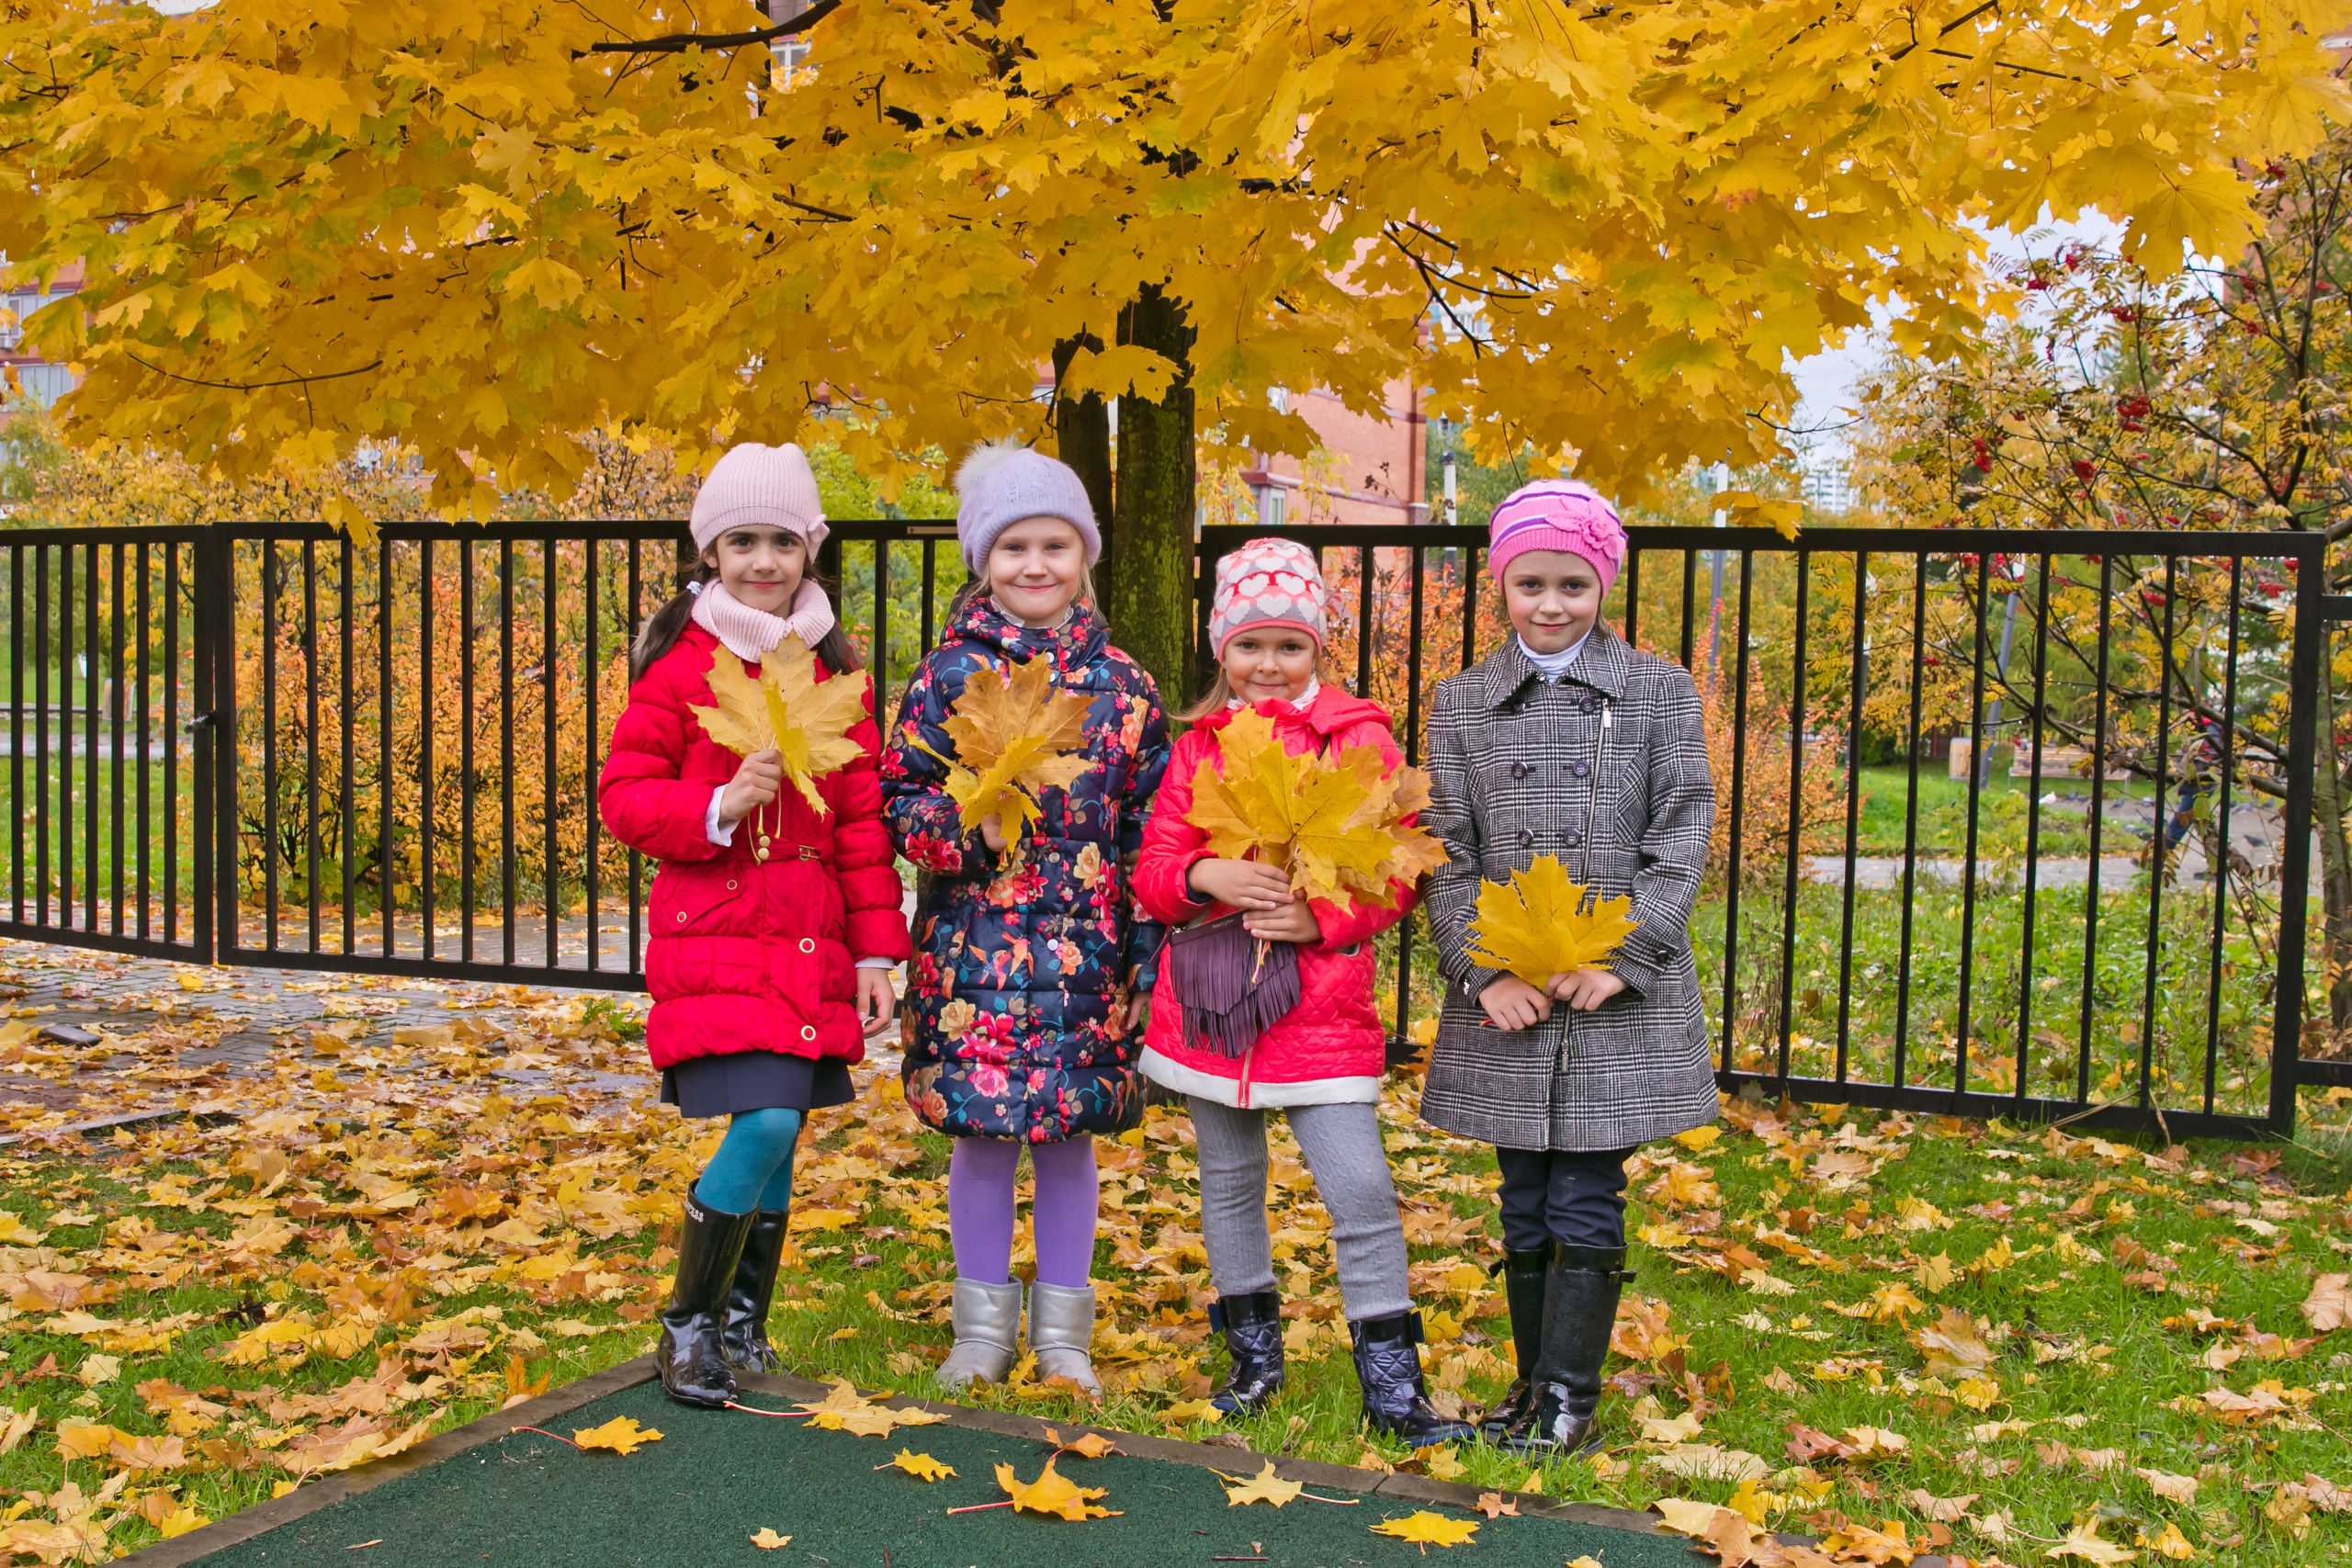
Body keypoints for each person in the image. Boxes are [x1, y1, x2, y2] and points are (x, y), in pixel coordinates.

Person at [1133, 538, 1475, 1448]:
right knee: (1229, 1184)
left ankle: (1392, 1383)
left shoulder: (1357, 737)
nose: (1269, 665)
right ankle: (1254, 1359)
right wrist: (1206, 874)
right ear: (1221, 651)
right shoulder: (1199, 746)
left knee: (1358, 1188)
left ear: (1318, 646)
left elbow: (1395, 864)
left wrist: (1320, 917)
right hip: (1211, 1005)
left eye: (1289, 645)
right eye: (1250, 646)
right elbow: (1155, 866)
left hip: (1316, 1007)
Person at [600, 441, 909, 1409]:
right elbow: (624, 799)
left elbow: (861, 828)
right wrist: (722, 803)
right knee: (767, 1115)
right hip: (721, 940)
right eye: (743, 542)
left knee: (776, 1130)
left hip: (812, 939)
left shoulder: (832, 675)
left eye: (782, 541)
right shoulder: (680, 669)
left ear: (807, 551)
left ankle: (741, 1322)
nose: (763, 561)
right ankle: (687, 1325)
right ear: (710, 554)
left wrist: (875, 951)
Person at [1419, 479, 1718, 1457]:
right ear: (1500, 585)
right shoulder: (1460, 702)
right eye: (1530, 584)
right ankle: (1530, 1383)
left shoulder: (1657, 693)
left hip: (1610, 994)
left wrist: (1628, 956)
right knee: (1521, 1194)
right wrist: (1480, 972)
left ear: (1603, 585)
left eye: (1572, 585)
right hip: (1507, 995)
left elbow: (1680, 831)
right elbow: (1445, 853)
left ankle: (1569, 1402)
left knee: (1585, 1190)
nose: (1549, 605)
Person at [881, 442, 1170, 1397]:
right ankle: (978, 1328)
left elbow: (1148, 828)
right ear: (982, 560)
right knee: (982, 1136)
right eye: (1012, 548)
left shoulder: (1123, 687)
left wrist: (1143, 952)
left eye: (1054, 544)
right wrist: (966, 830)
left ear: (1084, 554)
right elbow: (902, 802)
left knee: (1067, 1139)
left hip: (1088, 953)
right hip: (976, 957)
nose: (1035, 565)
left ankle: (1065, 1335)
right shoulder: (947, 676)